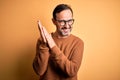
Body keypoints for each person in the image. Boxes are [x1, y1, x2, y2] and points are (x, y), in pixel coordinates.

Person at [33, 4, 84, 80]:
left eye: (70, 21)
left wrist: (52, 45)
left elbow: (72, 71)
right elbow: (39, 71)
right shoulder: (42, 40)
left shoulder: (78, 42)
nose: (67, 26)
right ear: (54, 21)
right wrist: (44, 45)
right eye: (62, 22)